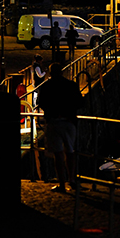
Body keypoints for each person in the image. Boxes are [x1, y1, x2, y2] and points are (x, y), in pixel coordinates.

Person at [36, 62, 83, 193]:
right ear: (62, 72)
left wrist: (53, 112)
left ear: (50, 73)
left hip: (53, 122)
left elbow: (41, 103)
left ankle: (62, 183)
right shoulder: (71, 85)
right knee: (70, 151)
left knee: (58, 154)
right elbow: (80, 102)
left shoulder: (46, 87)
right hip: (69, 121)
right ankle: (72, 179)